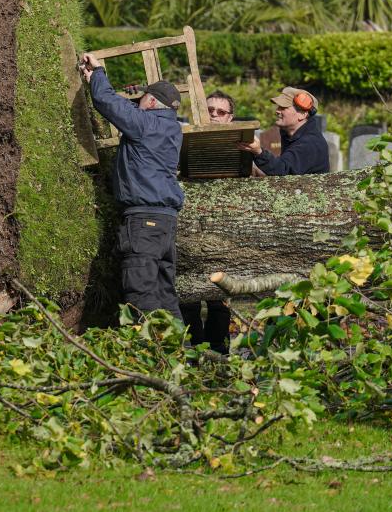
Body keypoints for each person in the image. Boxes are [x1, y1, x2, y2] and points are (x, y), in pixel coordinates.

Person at [81, 53, 185, 321]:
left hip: (144, 221)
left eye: (140, 100)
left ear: (151, 101)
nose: (136, 104)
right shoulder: (173, 129)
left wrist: (98, 72)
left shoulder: (147, 124)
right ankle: (180, 355)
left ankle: (149, 354)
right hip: (165, 222)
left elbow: (107, 102)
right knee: (165, 293)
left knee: (140, 291)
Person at [178, 89, 237, 352]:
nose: (214, 115)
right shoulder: (182, 140)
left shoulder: (237, 146)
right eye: (209, 110)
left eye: (220, 112)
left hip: (223, 233)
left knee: (219, 301)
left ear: (230, 118)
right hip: (189, 230)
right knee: (188, 299)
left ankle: (219, 357)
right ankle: (194, 357)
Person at [239, 87, 329, 175]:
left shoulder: (310, 143)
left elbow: (284, 169)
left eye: (283, 107)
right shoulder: (291, 135)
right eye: (278, 107)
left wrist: (259, 152)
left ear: (302, 114)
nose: (277, 111)